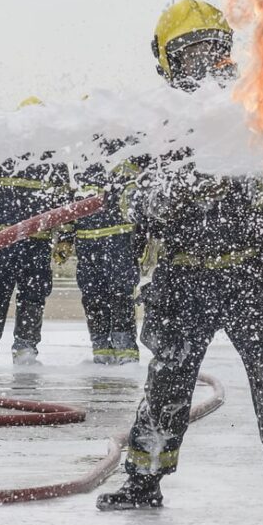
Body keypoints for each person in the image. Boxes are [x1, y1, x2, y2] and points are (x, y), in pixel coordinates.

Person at [97, 0, 263, 525]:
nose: (203, 64)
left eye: (211, 51)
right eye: (189, 54)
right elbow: (133, 200)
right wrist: (168, 189)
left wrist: (238, 179)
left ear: (227, 55)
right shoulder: (156, 126)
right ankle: (143, 478)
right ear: (169, 67)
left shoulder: (256, 110)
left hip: (255, 271)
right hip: (183, 274)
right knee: (169, 378)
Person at [0, 103, 72, 367]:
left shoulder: (53, 160)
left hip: (37, 246)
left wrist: (66, 239)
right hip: (3, 243)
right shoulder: (0, 153)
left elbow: (65, 205)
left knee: (33, 298)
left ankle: (26, 349)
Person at [71, 136, 148, 365]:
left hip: (120, 240)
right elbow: (70, 203)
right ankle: (100, 345)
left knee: (121, 295)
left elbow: (140, 200)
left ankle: (125, 349)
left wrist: (140, 239)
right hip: (88, 243)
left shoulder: (129, 151)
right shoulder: (81, 160)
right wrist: (66, 237)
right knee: (93, 297)